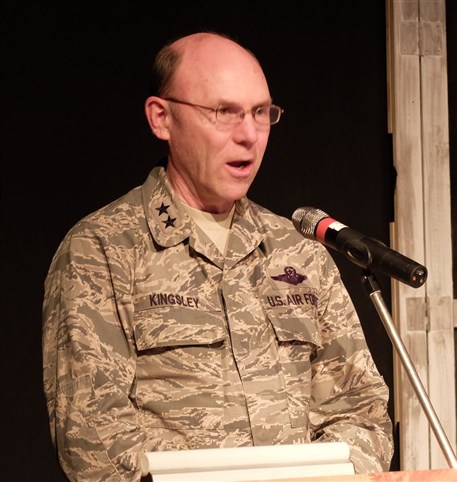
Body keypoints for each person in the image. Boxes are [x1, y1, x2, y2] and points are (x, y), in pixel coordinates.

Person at [42, 32, 394, 481]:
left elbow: (360, 411)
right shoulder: (102, 250)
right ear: (161, 118)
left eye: (261, 113)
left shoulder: (298, 252)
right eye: (224, 112)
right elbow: (94, 440)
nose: (249, 135)